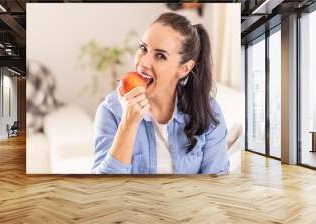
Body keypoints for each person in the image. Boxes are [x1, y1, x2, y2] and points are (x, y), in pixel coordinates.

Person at [92, 12, 230, 174]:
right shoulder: (111, 111)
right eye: (143, 48)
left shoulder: (208, 111)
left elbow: (217, 185)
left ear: (184, 68)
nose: (143, 63)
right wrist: (128, 125)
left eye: (160, 56)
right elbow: (104, 190)